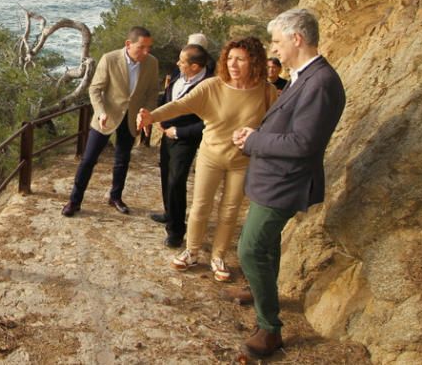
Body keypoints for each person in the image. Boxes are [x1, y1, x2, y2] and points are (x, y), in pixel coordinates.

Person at [230, 9, 345, 358]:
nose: (273, 48)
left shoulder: (320, 82)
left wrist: (253, 142)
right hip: (274, 177)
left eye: (278, 41)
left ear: (297, 39)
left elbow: (303, 143)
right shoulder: (304, 76)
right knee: (265, 246)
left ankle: (269, 329)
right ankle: (262, 289)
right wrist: (257, 134)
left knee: (249, 249)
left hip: (284, 182)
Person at [137, 37, 277, 282]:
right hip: (211, 156)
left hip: (242, 161)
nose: (233, 64)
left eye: (240, 59)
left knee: (230, 210)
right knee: (201, 206)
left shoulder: (266, 91)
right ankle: (191, 251)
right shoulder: (213, 86)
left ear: (254, 62)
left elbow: (276, 122)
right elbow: (180, 105)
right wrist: (152, 116)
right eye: (230, 58)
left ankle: (218, 256)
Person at [62, 27, 159, 217]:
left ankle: (115, 197)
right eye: (142, 47)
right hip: (106, 118)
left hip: (131, 119)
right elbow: (95, 90)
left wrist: (145, 113)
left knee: (122, 161)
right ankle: (74, 200)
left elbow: (152, 93)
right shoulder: (110, 58)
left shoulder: (152, 63)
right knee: (88, 160)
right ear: (128, 44)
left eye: (149, 47)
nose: (146, 52)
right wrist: (100, 112)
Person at [150, 44, 213, 248]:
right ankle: (170, 214)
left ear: (195, 67)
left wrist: (178, 132)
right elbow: (169, 99)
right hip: (166, 135)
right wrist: (158, 116)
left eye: (182, 61)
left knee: (176, 181)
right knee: (166, 175)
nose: (177, 63)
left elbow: (209, 121)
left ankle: (176, 231)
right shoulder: (179, 74)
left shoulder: (210, 85)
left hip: (185, 139)